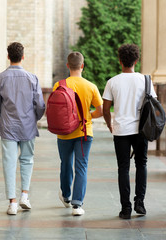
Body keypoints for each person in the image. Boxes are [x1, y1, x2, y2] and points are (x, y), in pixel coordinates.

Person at [102, 44, 156, 219]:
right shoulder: (145, 80)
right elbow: (153, 105)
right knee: (142, 164)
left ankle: (126, 208)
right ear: (136, 60)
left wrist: (110, 124)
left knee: (123, 168)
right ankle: (139, 202)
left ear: (120, 61)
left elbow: (105, 108)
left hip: (121, 130)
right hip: (141, 130)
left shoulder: (112, 82)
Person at [0, 42, 45, 215]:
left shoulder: (0, 78)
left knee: (9, 162)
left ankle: (12, 203)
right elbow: (40, 105)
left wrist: (5, 118)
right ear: (23, 57)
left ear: (8, 56)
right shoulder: (32, 78)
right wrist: (33, 118)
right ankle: (24, 195)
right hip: (28, 126)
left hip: (8, 126)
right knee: (27, 160)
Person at [54, 52, 103, 216]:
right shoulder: (91, 86)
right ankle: (77, 205)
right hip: (84, 132)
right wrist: (89, 115)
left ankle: (66, 196)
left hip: (64, 133)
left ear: (67, 66)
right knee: (81, 166)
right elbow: (101, 110)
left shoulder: (58, 85)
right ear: (82, 66)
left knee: (65, 164)